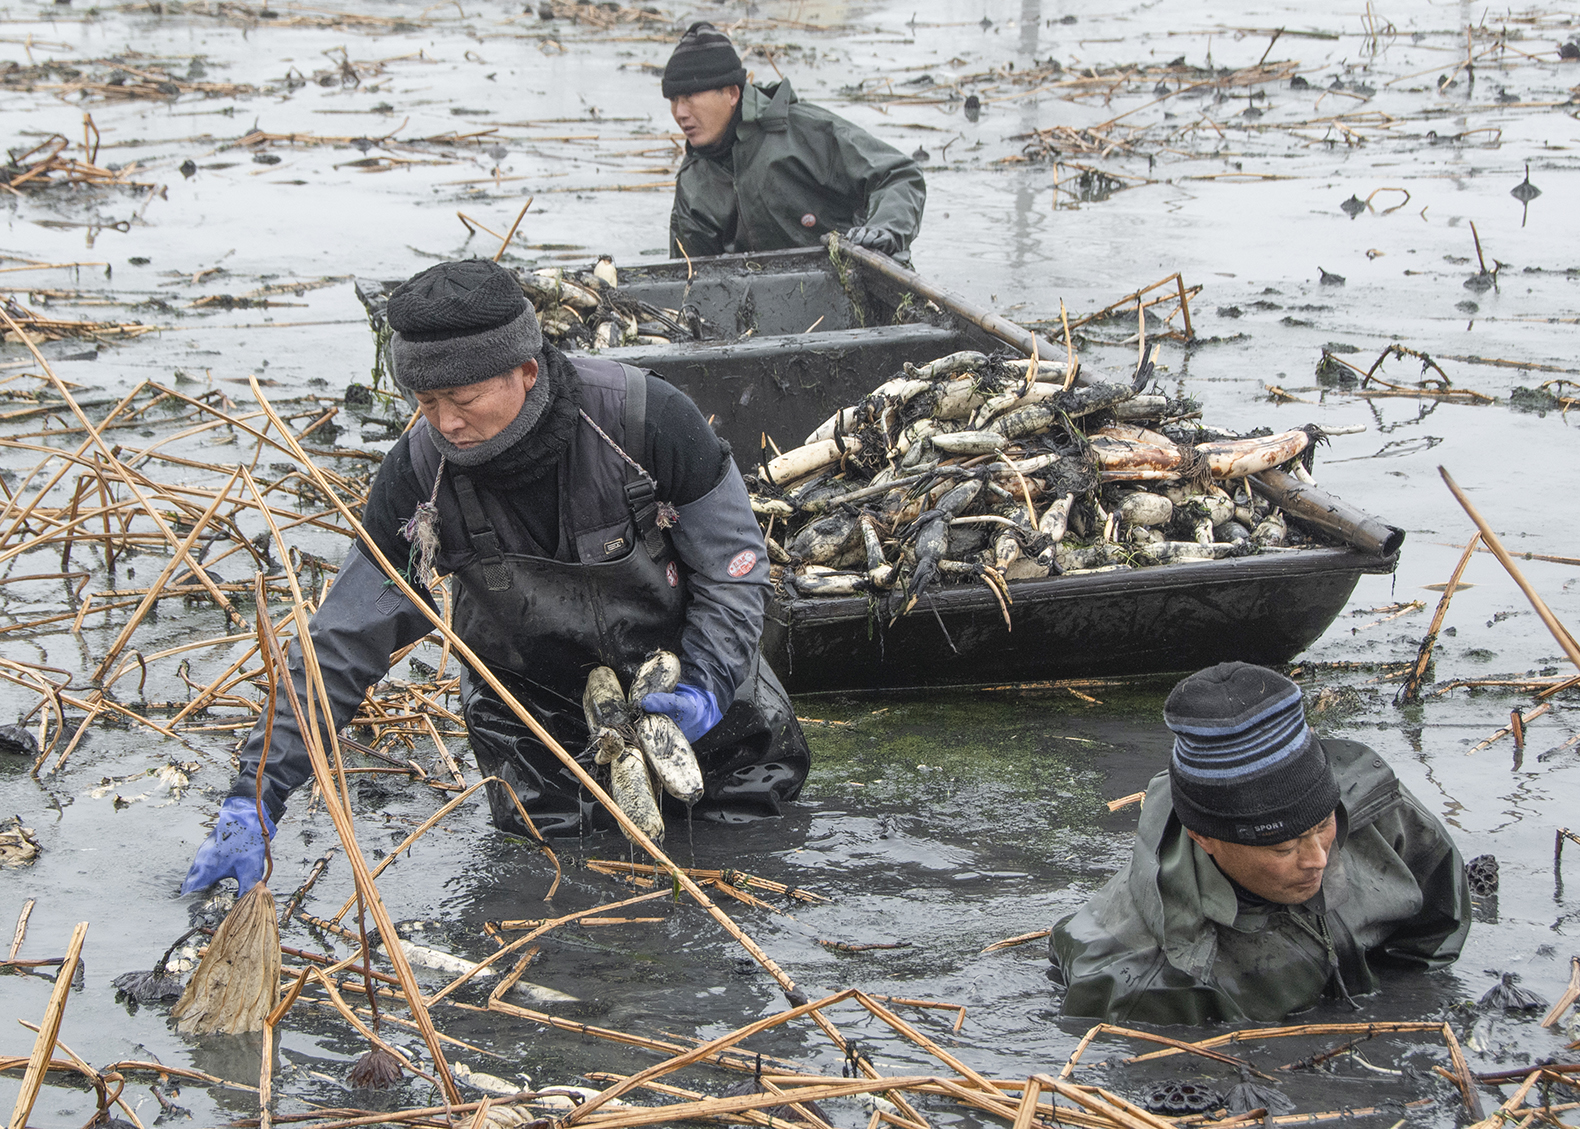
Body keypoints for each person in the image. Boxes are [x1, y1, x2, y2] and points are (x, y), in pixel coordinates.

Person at [182, 259, 810, 894]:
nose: (445, 423)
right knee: (564, 893)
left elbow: (734, 573)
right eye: (426, 402)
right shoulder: (419, 480)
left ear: (526, 371)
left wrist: (706, 683)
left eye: (463, 399)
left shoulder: (646, 420)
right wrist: (257, 793)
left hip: (691, 687)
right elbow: (343, 642)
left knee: (751, 863)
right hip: (537, 720)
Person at [1049, 662, 1471, 1024]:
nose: (1319, 859)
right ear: (1204, 838)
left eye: (1324, 825)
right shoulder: (1143, 983)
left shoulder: (1374, 807)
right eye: (1283, 849)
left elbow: (1434, 936)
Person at [663, 22, 926, 262]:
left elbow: (898, 174)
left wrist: (885, 230)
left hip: (847, 282)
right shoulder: (693, 181)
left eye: (689, 96)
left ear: (732, 93)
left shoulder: (805, 132)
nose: (680, 112)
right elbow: (689, 277)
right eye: (673, 100)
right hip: (765, 303)